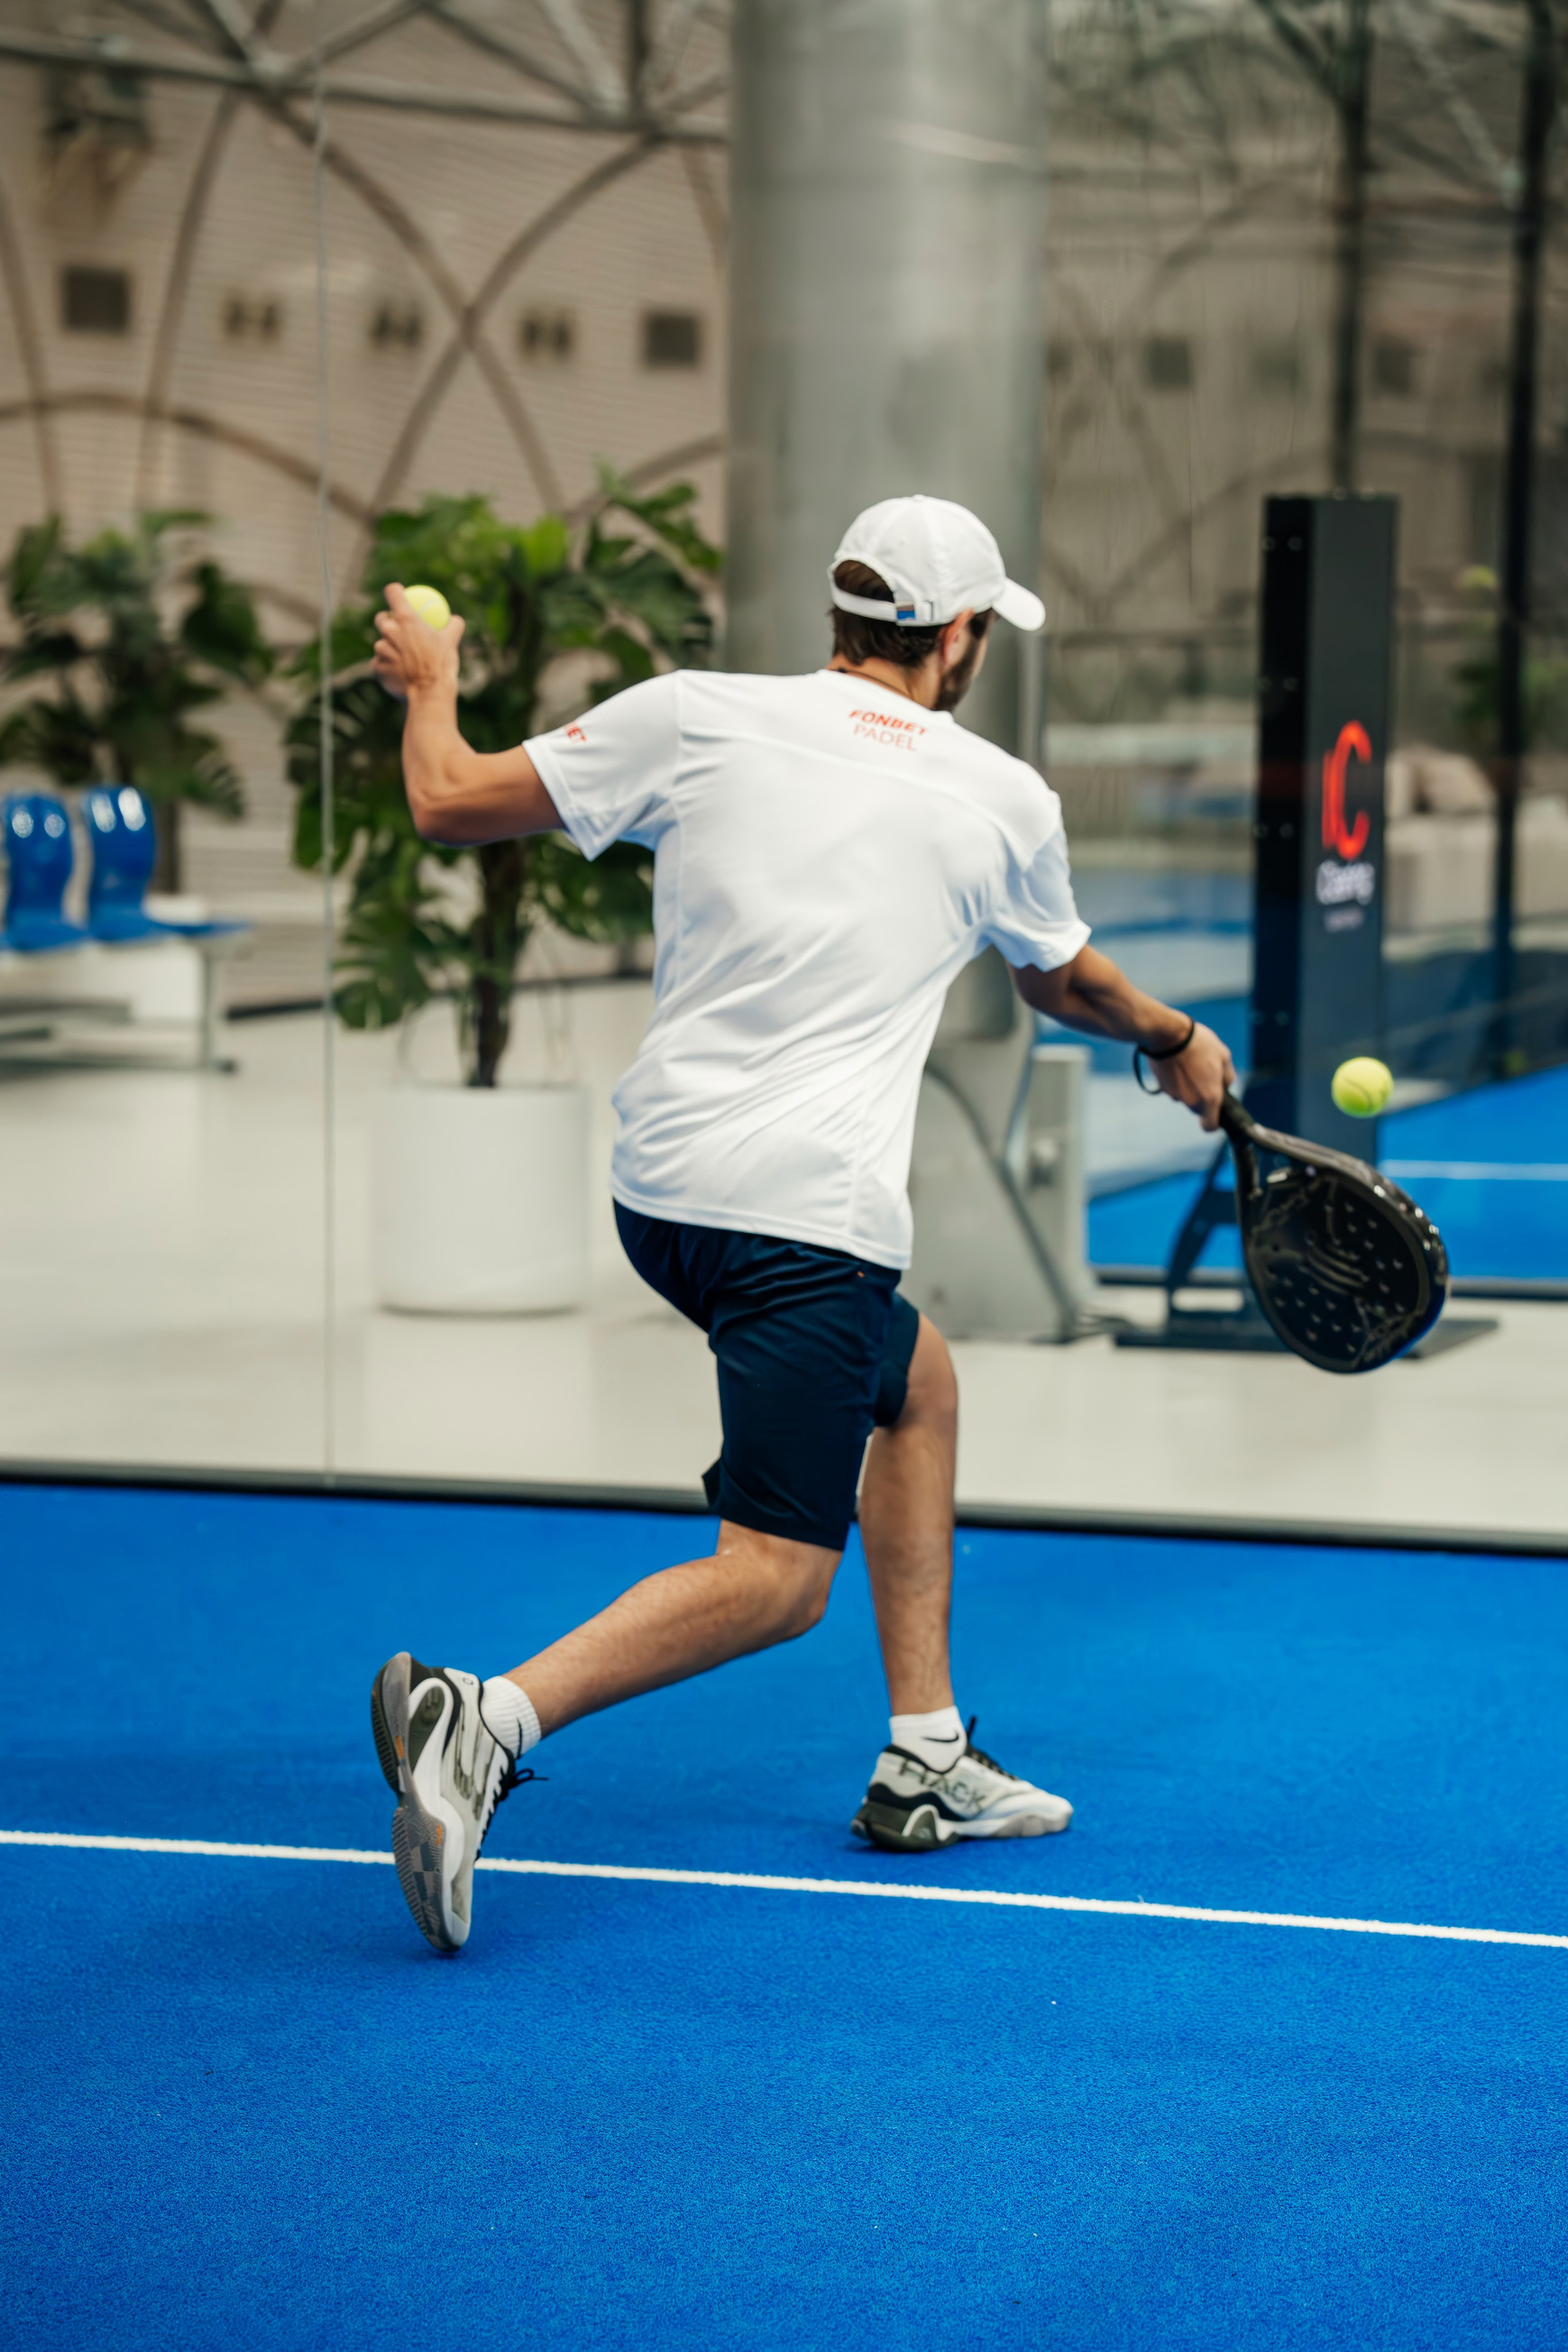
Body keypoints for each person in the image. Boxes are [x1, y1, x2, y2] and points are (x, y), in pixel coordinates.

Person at [367, 493, 1234, 1954]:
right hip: (800, 1221)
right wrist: (1170, 1037)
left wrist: (433, 677)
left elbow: (446, 799)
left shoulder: (696, 715)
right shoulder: (999, 796)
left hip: (662, 1195)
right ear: (956, 639)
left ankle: (927, 1758)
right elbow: (1060, 982)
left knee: (919, 1383)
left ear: (844, 617)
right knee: (773, 1582)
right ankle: (485, 1723)